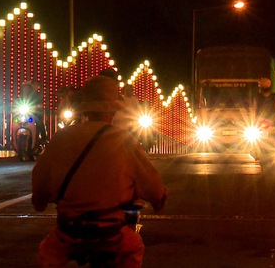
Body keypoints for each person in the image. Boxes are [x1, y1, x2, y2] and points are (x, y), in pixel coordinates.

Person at [32, 75, 168, 267]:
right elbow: (154, 190)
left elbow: (39, 195)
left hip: (67, 236)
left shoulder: (62, 138)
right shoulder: (124, 140)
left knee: (47, 254)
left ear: (84, 109)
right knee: (133, 249)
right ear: (113, 110)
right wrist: (158, 198)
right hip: (112, 237)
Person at [21, 80, 47, 145]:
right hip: (23, 115)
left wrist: (37, 107)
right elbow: (16, 104)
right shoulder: (21, 97)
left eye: (27, 88)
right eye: (24, 88)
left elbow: (39, 104)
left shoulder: (35, 96)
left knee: (39, 122)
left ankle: (44, 139)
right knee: (15, 122)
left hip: (34, 114)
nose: (25, 90)